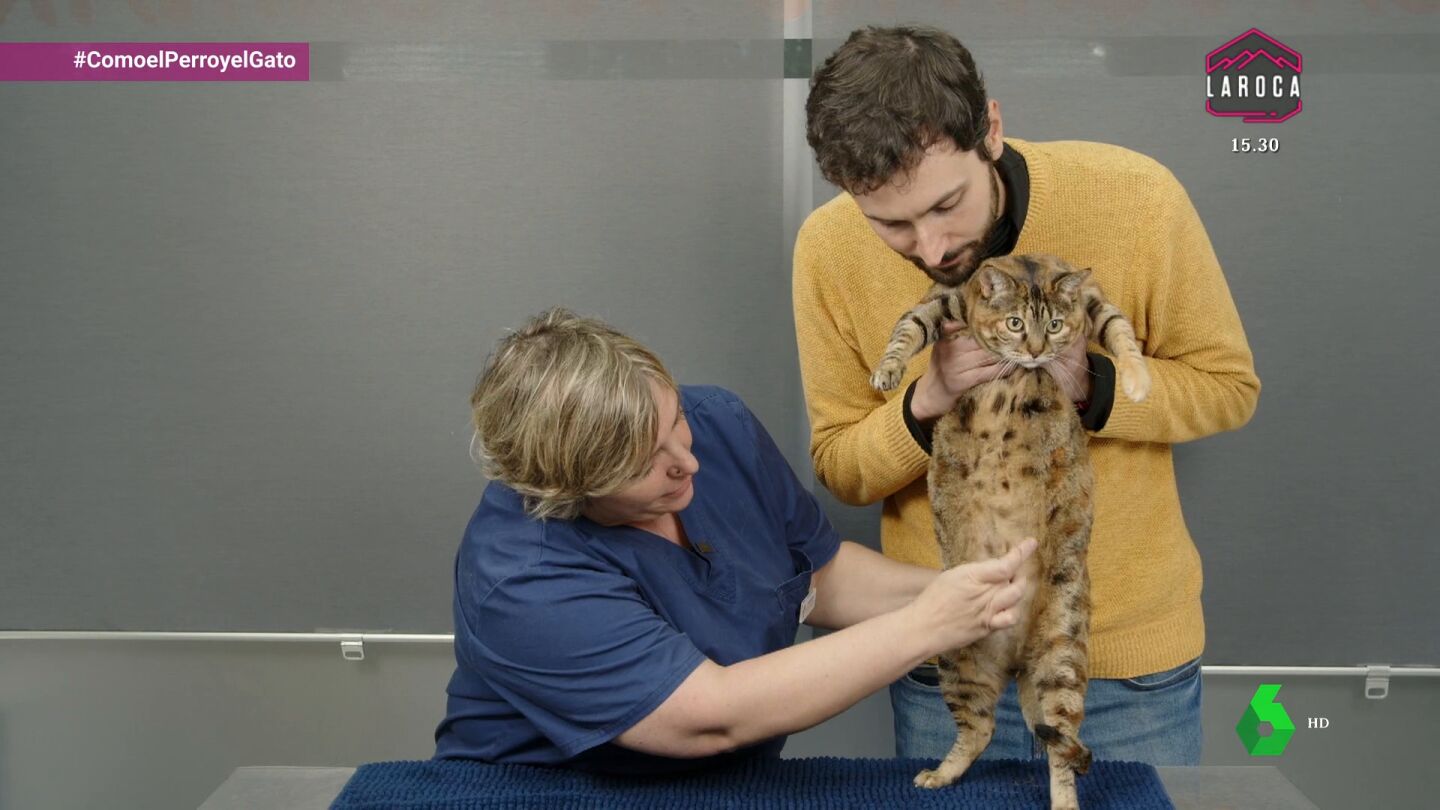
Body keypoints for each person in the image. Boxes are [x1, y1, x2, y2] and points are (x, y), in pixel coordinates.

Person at [793, 25, 1261, 765]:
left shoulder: (1137, 197)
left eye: (947, 204)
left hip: (1126, 673)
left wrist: (1089, 385)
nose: (931, 248)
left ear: (990, 129)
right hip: (948, 658)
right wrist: (926, 400)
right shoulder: (826, 248)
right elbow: (841, 468)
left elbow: (1228, 388)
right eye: (890, 223)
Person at [433, 307, 1038, 773]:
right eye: (644, 464)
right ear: (568, 488)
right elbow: (710, 716)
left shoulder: (717, 422)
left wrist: (983, 592)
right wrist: (928, 626)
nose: (688, 462)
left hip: (728, 780)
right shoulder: (522, 576)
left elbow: (822, 577)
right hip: (547, 787)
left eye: (675, 420)